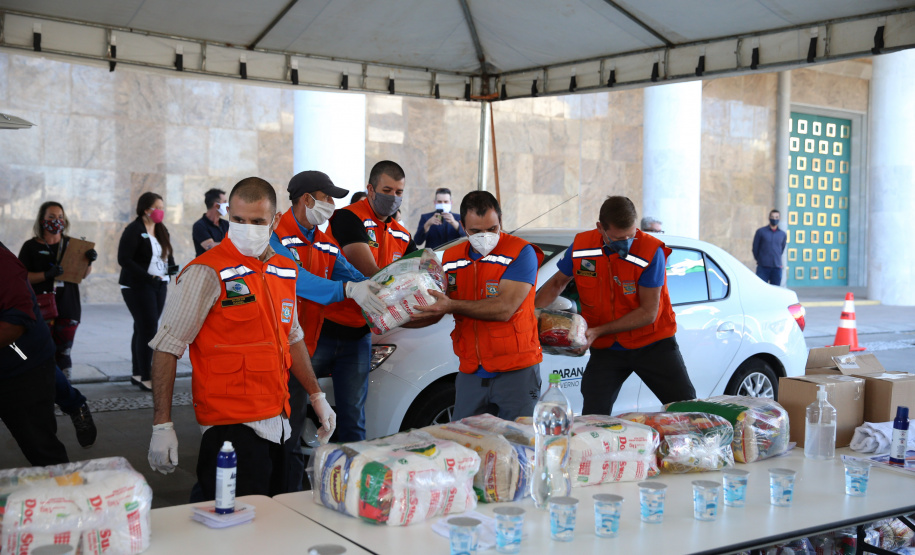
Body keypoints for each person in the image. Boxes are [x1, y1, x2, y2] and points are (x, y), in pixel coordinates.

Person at [147, 177, 336, 501]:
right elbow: (167, 347)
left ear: (274, 221)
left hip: (279, 423)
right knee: (228, 531)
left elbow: (293, 337)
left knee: (273, 527)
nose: (246, 228)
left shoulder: (284, 269)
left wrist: (316, 395)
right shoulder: (205, 271)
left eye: (257, 222)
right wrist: (162, 424)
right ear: (228, 217)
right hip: (229, 427)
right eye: (238, 220)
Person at [271, 170, 384, 492]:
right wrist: (348, 290)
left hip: (306, 342)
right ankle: (281, 495)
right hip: (280, 348)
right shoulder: (274, 235)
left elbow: (352, 275)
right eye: (328, 197)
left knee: (329, 420)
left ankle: (346, 489)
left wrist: (389, 289)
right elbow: (296, 279)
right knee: (285, 428)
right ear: (307, 199)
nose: (332, 204)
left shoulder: (322, 242)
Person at [534, 195, 696, 416]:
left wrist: (597, 331)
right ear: (600, 228)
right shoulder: (582, 246)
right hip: (607, 348)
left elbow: (648, 313)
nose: (626, 243)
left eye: (631, 235)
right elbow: (556, 283)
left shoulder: (651, 251)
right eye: (618, 238)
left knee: (685, 410)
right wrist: (533, 317)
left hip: (653, 343)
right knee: (593, 414)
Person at [412, 191, 544, 421]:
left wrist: (451, 305)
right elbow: (436, 310)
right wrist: (388, 320)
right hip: (471, 372)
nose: (485, 236)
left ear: (500, 221)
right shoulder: (449, 258)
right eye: (476, 231)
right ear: (462, 225)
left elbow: (504, 308)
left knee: (520, 447)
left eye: (492, 229)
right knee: (469, 446)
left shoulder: (521, 252)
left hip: (516, 371)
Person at [323, 160, 417, 440]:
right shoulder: (347, 218)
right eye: (387, 189)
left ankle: (350, 477)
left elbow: (417, 276)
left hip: (360, 335)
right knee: (304, 408)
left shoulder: (402, 234)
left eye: (399, 192)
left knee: (353, 418)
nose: (394, 197)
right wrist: (405, 289)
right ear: (371, 190)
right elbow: (369, 272)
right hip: (325, 327)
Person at [18, 201, 98, 448]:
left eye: (60, 216)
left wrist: (89, 261)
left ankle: (64, 399)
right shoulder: (31, 247)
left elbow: (81, 275)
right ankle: (64, 403)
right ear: (42, 219)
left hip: (68, 306)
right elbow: (22, 278)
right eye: (52, 216)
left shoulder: (72, 245)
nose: (57, 220)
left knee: (63, 354)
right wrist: (46, 275)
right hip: (41, 309)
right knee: (43, 356)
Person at [0, 240, 70, 466]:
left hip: (23, 370)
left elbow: (15, 322)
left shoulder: (4, 263)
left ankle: (65, 498)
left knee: (43, 450)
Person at [118, 192, 177, 391]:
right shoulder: (134, 230)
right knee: (149, 328)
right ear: (146, 209)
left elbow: (168, 255)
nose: (161, 211)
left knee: (143, 327)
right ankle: (146, 375)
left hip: (160, 285)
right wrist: (148, 277)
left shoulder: (161, 229)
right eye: (157, 207)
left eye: (162, 207)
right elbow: (124, 259)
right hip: (138, 285)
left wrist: (174, 272)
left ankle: (137, 372)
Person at [752, 209, 787, 286]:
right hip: (763, 267)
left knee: (776, 290)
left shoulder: (782, 234)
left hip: (777, 267)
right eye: (773, 217)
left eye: (777, 217)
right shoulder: (761, 232)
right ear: (769, 218)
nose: (774, 219)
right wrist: (761, 259)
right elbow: (755, 248)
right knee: (760, 288)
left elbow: (782, 249)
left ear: (779, 218)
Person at [191, 188, 229, 257]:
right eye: (224, 202)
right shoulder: (199, 226)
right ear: (216, 205)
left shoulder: (226, 224)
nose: (227, 205)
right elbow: (211, 247)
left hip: (225, 266)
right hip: (207, 266)